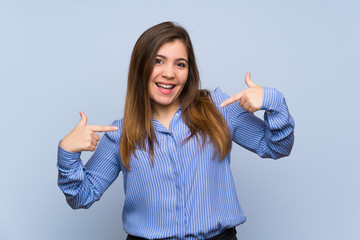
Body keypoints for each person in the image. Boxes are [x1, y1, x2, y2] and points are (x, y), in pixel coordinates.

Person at [57, 21, 295, 240]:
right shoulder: (119, 132)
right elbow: (81, 196)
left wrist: (273, 101)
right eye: (158, 61)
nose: (169, 73)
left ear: (188, 72)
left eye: (180, 64)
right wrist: (67, 153)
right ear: (140, 67)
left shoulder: (218, 109)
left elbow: (278, 147)